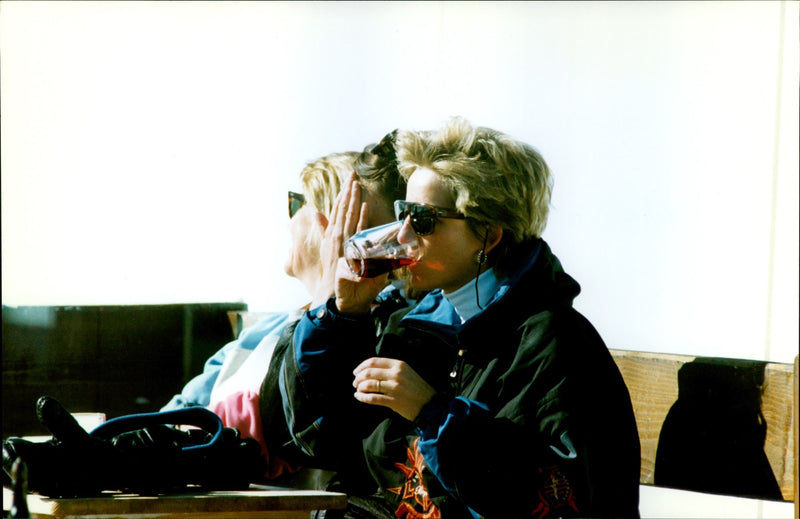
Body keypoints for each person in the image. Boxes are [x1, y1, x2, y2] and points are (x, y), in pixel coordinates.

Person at [278, 118, 641, 518]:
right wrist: (344, 317)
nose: (401, 235)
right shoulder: (414, 326)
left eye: (422, 218)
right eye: (403, 213)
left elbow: (556, 496)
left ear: (488, 233)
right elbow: (320, 440)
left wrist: (433, 413)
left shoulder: (555, 343)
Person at [163, 134, 411, 480]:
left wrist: (333, 295)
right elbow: (173, 415)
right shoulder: (262, 331)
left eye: (296, 204)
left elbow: (311, 433)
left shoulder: (385, 323)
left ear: (332, 221)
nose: (289, 220)